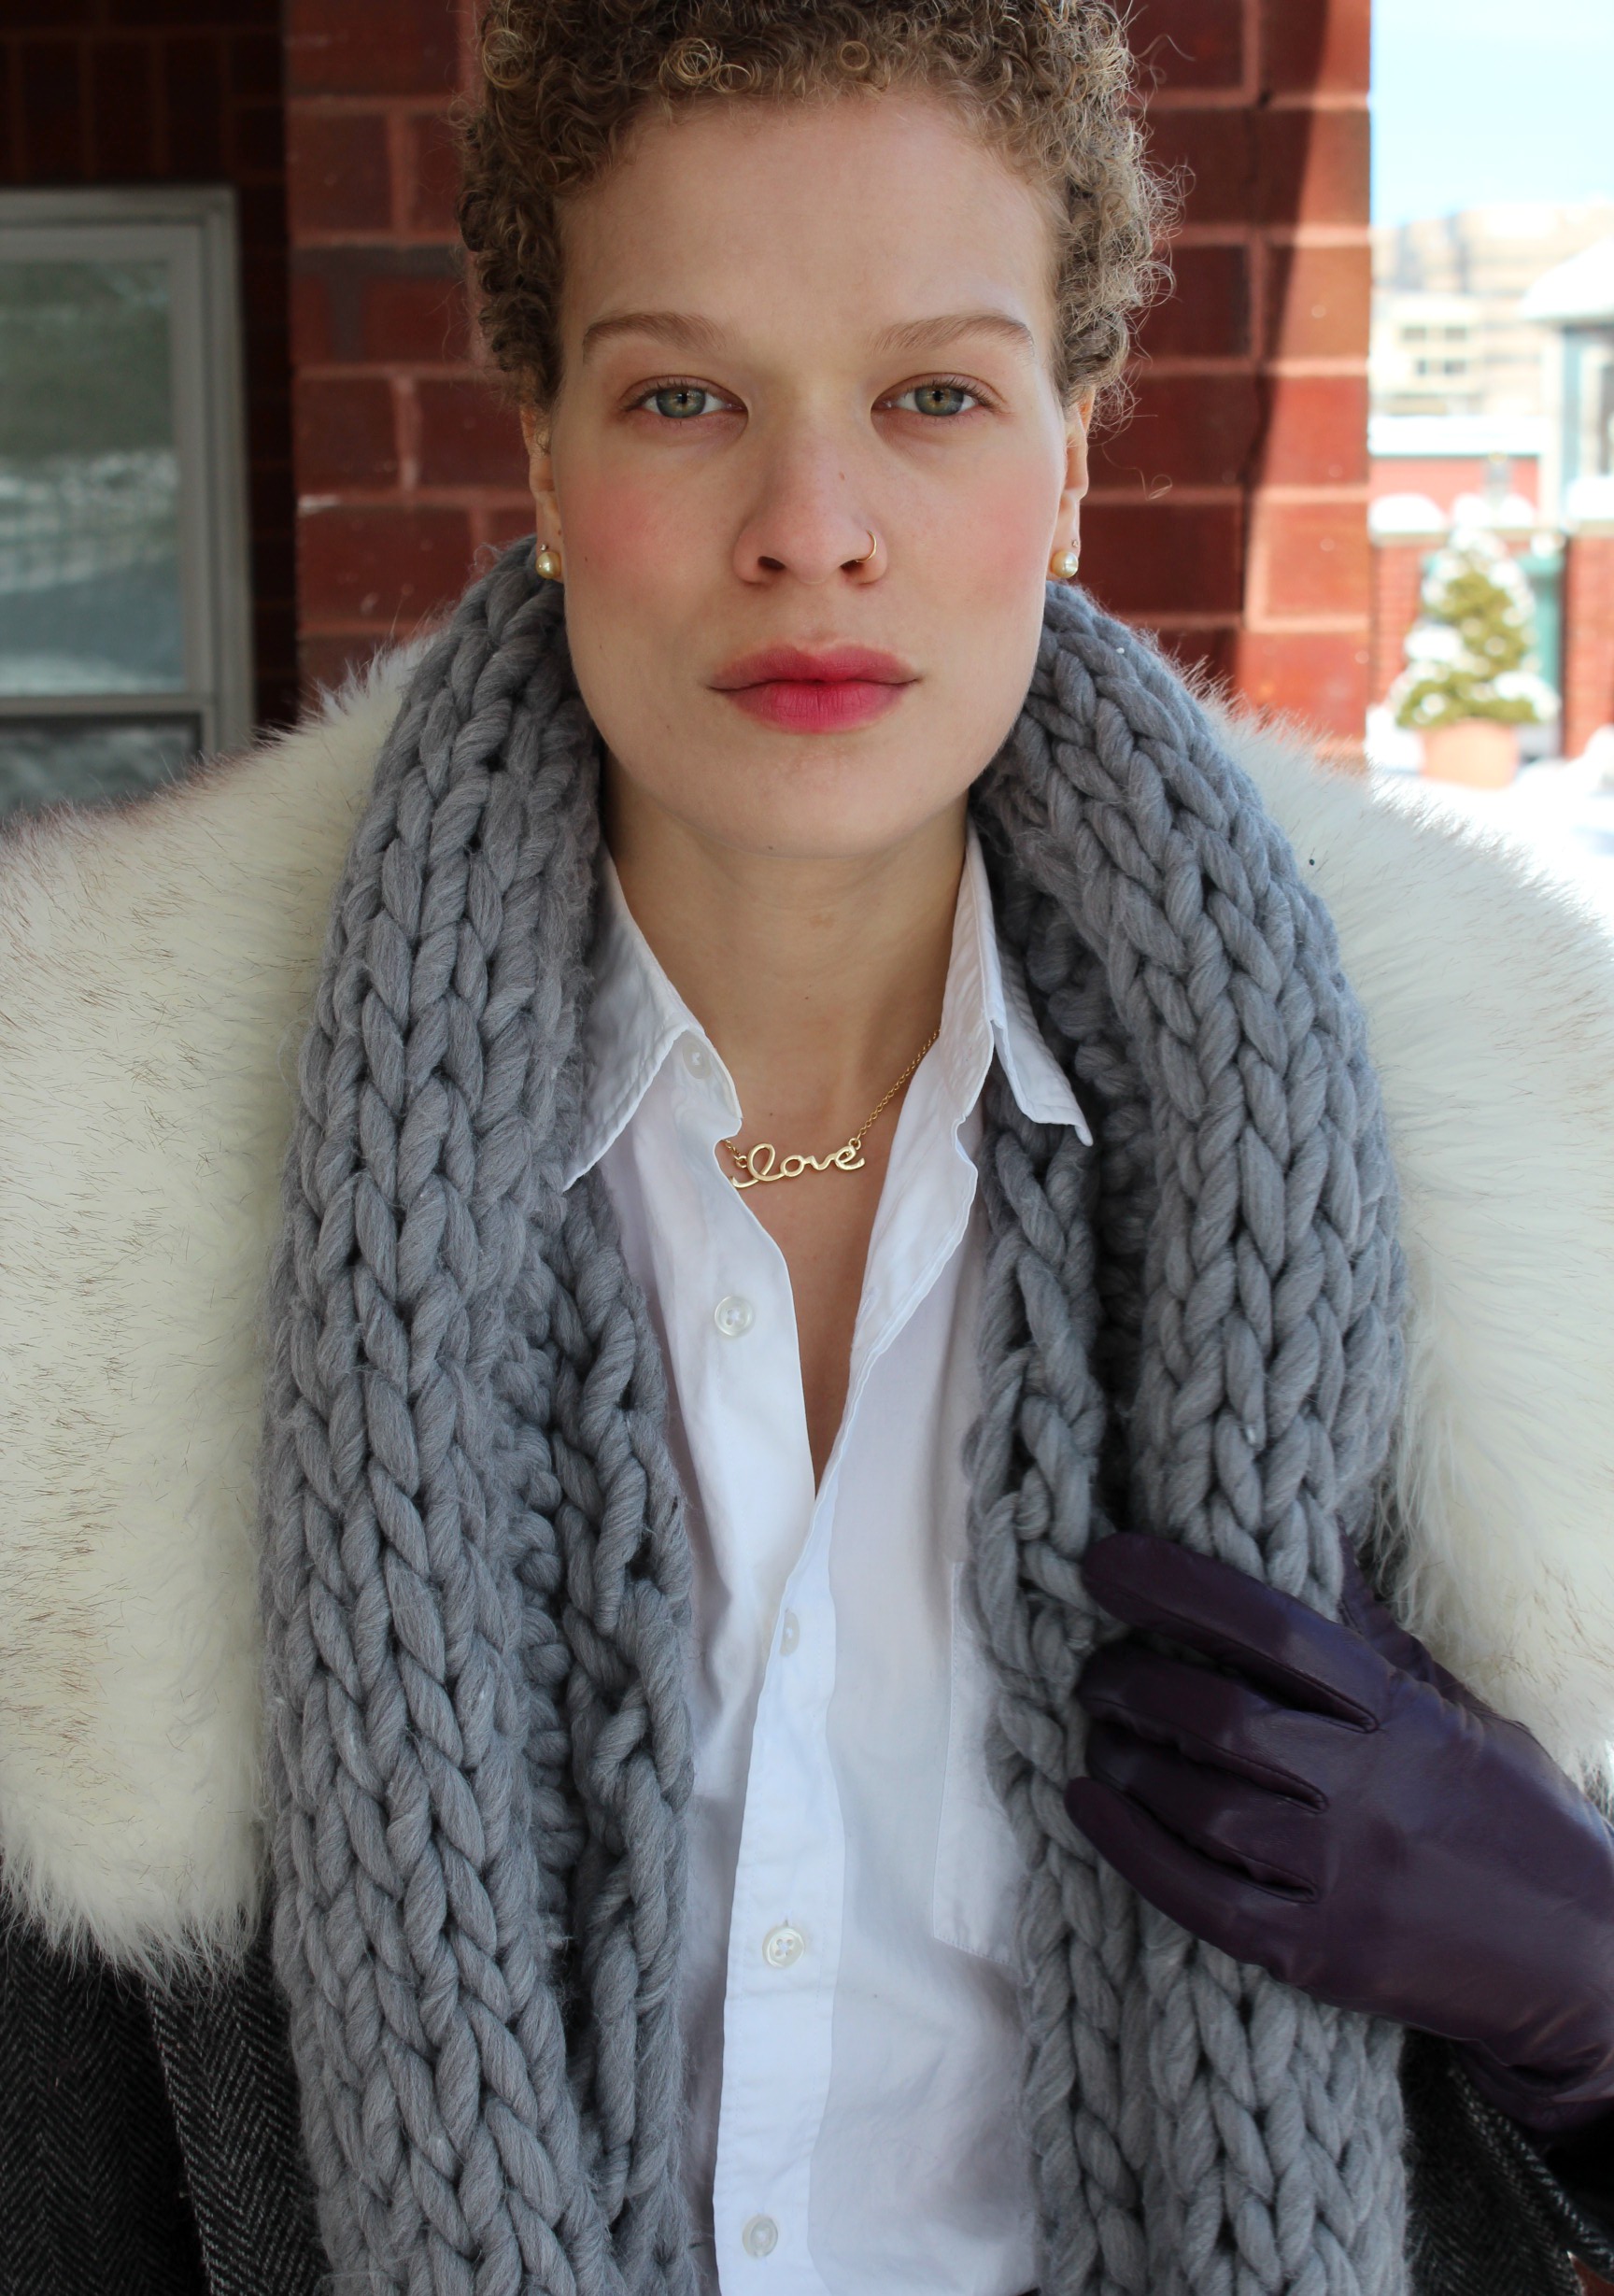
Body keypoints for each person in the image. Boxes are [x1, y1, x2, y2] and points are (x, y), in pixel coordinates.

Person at [3, 5, 1614, 2293]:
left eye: (934, 397)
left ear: (1068, 456)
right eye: (685, 398)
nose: (811, 531)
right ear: (544, 453)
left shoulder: (1515, 1175)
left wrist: (1587, 1994)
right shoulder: (89, 1205)